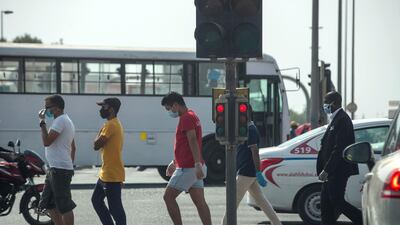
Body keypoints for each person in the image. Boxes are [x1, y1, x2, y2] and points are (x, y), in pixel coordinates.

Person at [221, 105, 282, 225]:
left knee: (232, 204)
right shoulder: (245, 129)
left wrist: (258, 171)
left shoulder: (251, 130)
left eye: (239, 114)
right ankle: (277, 223)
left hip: (246, 172)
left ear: (246, 114)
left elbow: (255, 152)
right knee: (261, 201)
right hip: (247, 172)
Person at [161, 91, 212, 225]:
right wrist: (174, 162)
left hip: (189, 168)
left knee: (168, 197)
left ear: (176, 105)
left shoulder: (186, 118)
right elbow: (185, 145)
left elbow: (192, 140)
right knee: (200, 203)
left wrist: (196, 165)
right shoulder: (192, 115)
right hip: (192, 166)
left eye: (169, 108)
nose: (169, 112)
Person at [316, 91, 363, 225]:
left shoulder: (342, 120)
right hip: (331, 172)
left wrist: (327, 170)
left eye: (326, 102)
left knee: (336, 200)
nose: (324, 106)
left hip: (338, 170)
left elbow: (339, 149)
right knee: (326, 203)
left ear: (334, 103)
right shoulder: (335, 119)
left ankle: (362, 220)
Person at [38, 94, 76, 225]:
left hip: (60, 169)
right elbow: (73, 147)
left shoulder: (61, 121)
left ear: (57, 108)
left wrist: (42, 123)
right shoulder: (64, 121)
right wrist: (70, 166)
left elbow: (47, 141)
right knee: (49, 204)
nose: (45, 110)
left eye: (48, 107)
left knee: (64, 205)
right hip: (55, 168)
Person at [92, 97, 126, 225]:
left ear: (111, 109)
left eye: (103, 107)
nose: (101, 109)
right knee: (96, 200)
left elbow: (96, 145)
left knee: (115, 209)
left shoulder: (111, 125)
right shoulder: (113, 123)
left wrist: (99, 132)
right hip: (106, 173)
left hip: (111, 174)